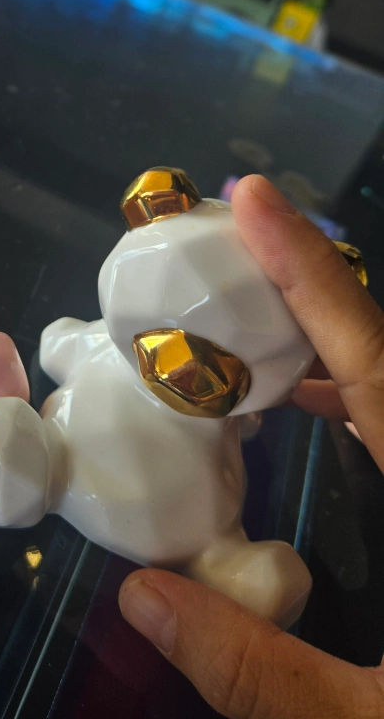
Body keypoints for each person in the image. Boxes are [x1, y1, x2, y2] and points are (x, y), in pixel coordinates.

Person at [118, 174, 384, 719]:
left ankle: (233, 566)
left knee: (225, 551)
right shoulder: (120, 338)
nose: (165, 366)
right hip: (109, 462)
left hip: (184, 516)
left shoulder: (243, 410)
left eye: (207, 367)